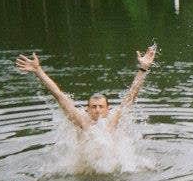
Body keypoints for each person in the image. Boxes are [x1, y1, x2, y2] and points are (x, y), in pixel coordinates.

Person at [14, 45, 156, 131]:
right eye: (94, 107)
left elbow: (131, 96)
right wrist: (38, 71)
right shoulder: (81, 121)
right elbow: (58, 95)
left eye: (101, 107)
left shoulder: (113, 121)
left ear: (108, 109)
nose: (97, 110)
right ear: (87, 110)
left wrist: (143, 68)